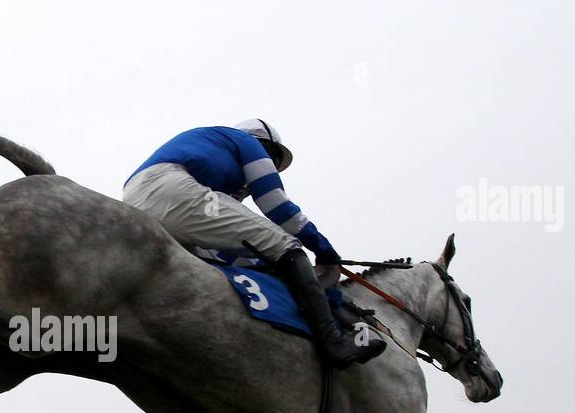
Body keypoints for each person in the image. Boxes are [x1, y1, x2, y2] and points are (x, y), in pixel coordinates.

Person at [123, 119, 384, 368]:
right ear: (265, 146)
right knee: (287, 245)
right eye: (273, 161)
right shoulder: (247, 143)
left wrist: (268, 264)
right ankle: (335, 343)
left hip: (135, 200)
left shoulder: (213, 158)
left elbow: (231, 247)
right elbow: (275, 203)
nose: (272, 166)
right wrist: (322, 248)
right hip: (172, 188)